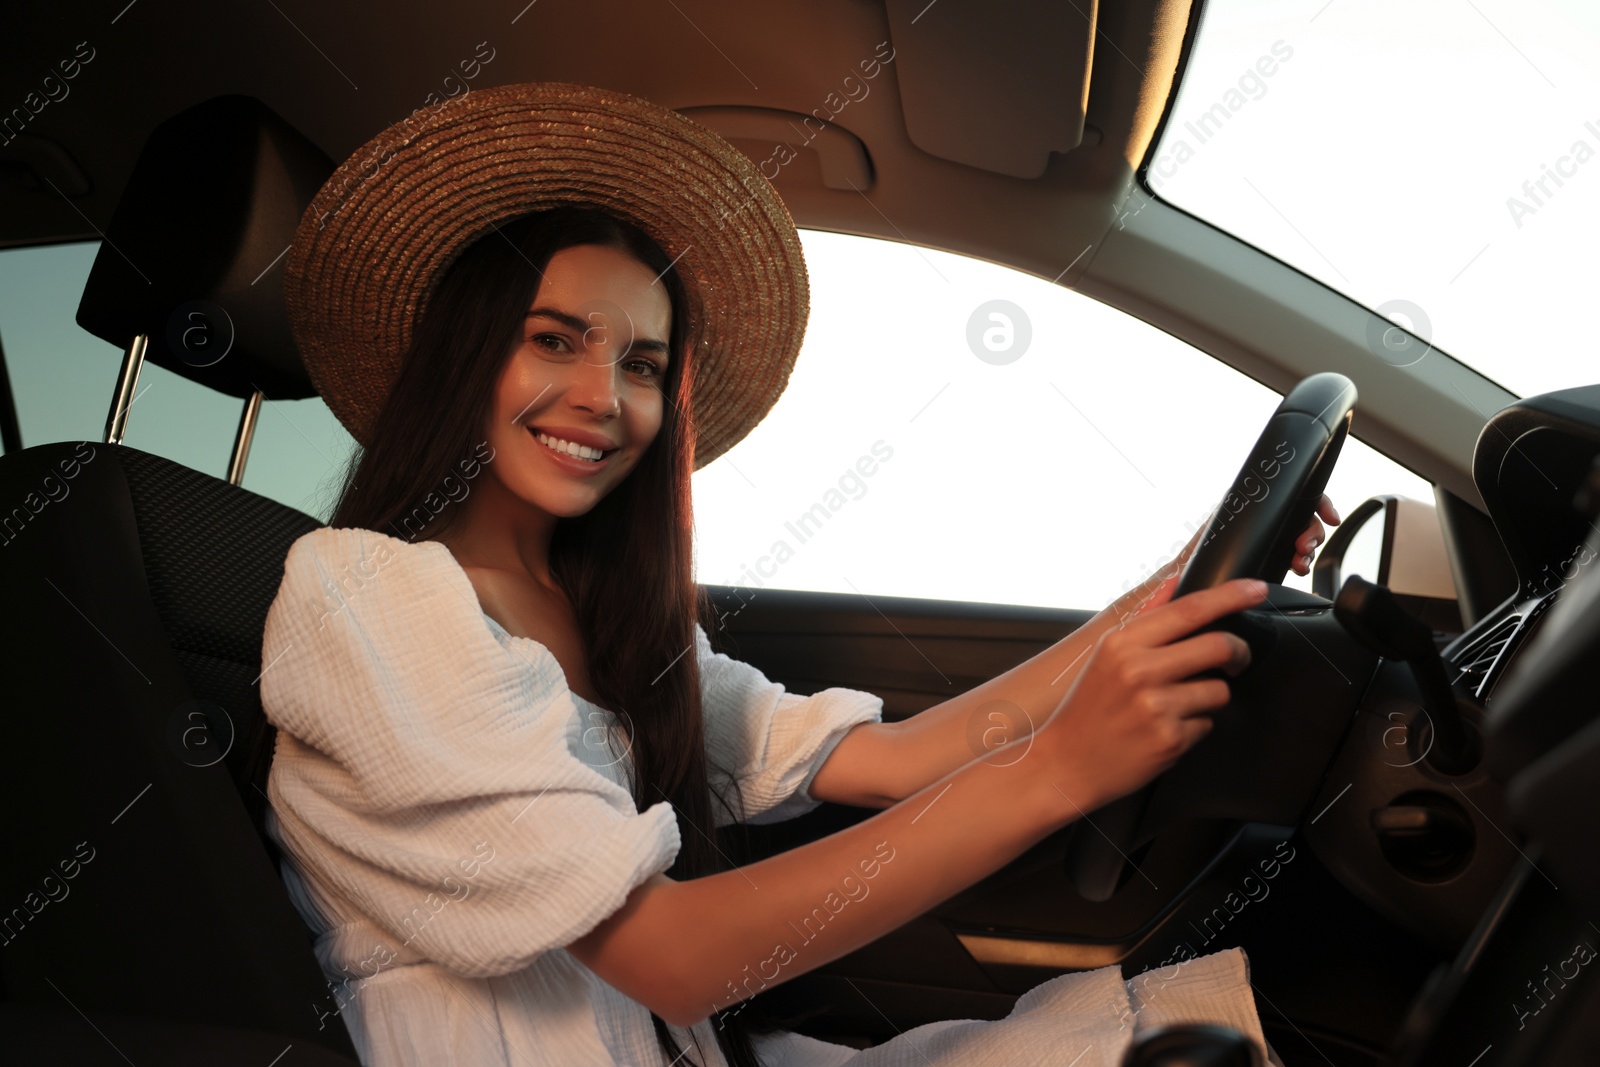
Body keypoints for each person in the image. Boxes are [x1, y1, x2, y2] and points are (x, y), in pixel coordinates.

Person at [263, 81, 1336, 1067]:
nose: (604, 395)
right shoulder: (362, 594)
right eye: (553, 340)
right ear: (465, 356)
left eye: (641, 364)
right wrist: (1058, 771)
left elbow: (905, 755)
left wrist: (1166, 589)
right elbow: (671, 955)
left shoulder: (630, 628)